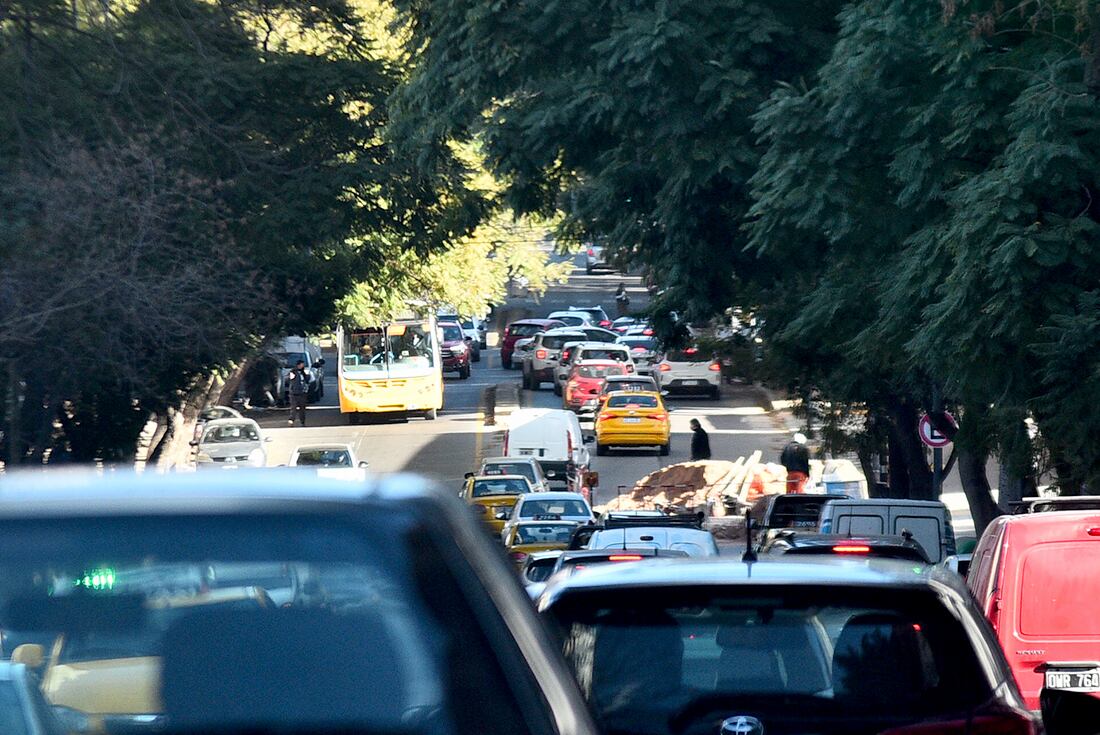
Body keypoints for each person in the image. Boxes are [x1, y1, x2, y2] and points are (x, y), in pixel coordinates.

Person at [287, 360, 311, 426]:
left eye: (303, 365)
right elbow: (289, 379)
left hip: (302, 393)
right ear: (298, 365)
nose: (302, 366)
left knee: (302, 408)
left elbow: (307, 380)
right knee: (293, 408)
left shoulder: (303, 373)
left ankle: (302, 422)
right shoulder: (293, 372)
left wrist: (307, 377)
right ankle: (291, 420)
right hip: (294, 393)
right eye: (301, 364)